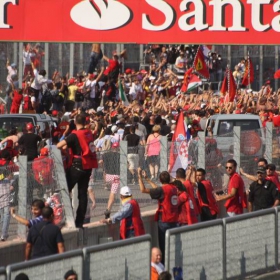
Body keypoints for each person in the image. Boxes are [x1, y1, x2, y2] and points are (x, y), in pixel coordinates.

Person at [57, 114, 98, 228]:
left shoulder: (75, 134)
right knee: (82, 193)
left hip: (77, 165)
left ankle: (66, 218)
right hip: (88, 165)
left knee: (65, 190)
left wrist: (64, 149)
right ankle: (79, 221)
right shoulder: (88, 132)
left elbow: (59, 145)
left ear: (75, 122)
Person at [138, 168, 178, 265]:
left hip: (164, 220)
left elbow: (143, 190)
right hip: (174, 220)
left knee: (164, 247)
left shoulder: (162, 190)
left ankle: (164, 267)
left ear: (160, 180)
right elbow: (158, 190)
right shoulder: (173, 188)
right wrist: (148, 179)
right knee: (172, 245)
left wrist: (139, 176)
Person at [0, 149, 16, 241]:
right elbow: (12, 174)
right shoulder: (8, 163)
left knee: (2, 214)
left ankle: (2, 233)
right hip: (4, 187)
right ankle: (4, 234)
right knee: (6, 213)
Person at [101, 142, 120, 218]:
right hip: (116, 176)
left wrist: (104, 168)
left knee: (113, 191)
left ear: (112, 147)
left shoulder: (105, 155)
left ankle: (106, 185)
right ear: (118, 148)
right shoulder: (120, 155)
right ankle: (108, 209)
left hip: (108, 176)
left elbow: (101, 162)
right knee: (113, 194)